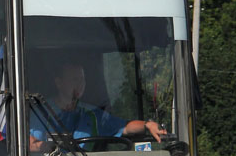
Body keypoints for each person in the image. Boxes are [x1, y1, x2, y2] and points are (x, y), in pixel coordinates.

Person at [29, 62, 166, 151]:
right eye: (75, 80)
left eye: (82, 79)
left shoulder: (92, 114)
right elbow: (28, 143)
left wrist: (147, 125)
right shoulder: (40, 111)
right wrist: (50, 148)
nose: (80, 84)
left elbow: (124, 127)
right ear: (59, 83)